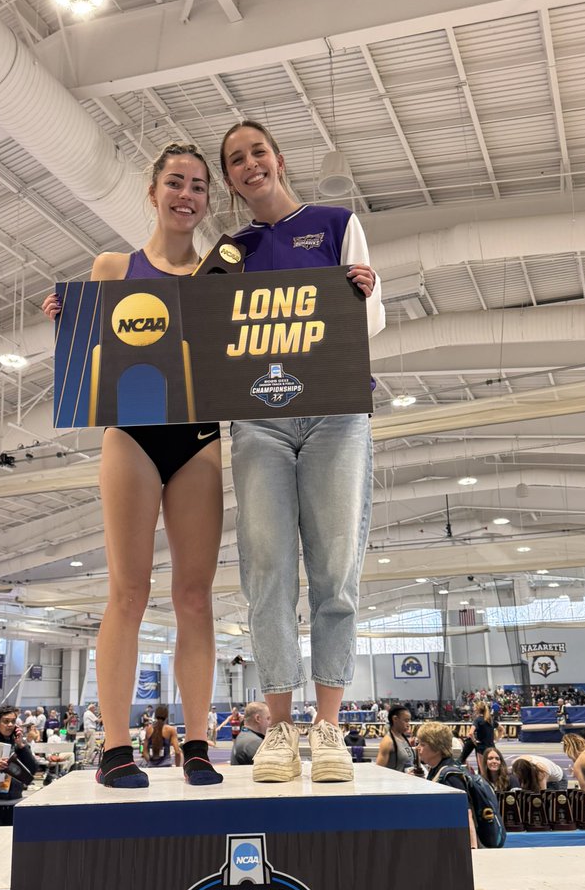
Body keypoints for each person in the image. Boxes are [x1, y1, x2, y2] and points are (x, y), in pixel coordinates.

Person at [43, 144, 223, 790]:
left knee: (195, 597)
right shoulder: (114, 266)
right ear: (153, 193)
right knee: (129, 590)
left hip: (198, 436)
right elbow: (91, 351)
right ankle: (116, 747)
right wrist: (67, 324)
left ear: (208, 200)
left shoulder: (222, 275)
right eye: (175, 182)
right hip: (133, 434)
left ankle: (197, 744)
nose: (186, 194)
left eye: (198, 185)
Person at [219, 120, 384, 785]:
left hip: (336, 411)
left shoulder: (334, 223)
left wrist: (367, 292)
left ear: (278, 159)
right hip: (259, 416)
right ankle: (281, 729)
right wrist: (84, 317)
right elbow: (190, 326)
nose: (250, 163)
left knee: (336, 571)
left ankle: (329, 729)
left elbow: (371, 321)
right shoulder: (230, 251)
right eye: (236, 160)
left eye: (257, 151)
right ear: (230, 180)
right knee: (267, 572)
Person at [415, 721, 477, 849]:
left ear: (437, 747)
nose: (418, 748)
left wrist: (472, 848)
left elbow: (466, 813)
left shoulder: (450, 776)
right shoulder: (436, 769)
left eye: (423, 744)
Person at [375, 705, 420, 774]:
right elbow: (379, 771)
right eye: (406, 721)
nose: (408, 724)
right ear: (395, 719)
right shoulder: (388, 742)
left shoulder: (403, 737)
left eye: (409, 721)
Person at [460, 700, 495, 774]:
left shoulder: (478, 720)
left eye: (474, 707)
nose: (473, 709)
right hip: (490, 746)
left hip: (481, 747)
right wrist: (497, 738)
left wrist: (474, 741)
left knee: (482, 771)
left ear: (478, 709)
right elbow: (501, 729)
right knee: (489, 769)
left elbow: (470, 733)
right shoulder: (489, 719)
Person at [142, 705, 182, 770]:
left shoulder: (149, 729)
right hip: (166, 765)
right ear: (167, 716)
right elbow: (177, 751)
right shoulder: (171, 730)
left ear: (155, 716)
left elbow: (144, 751)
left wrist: (150, 762)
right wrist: (177, 768)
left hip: (151, 767)